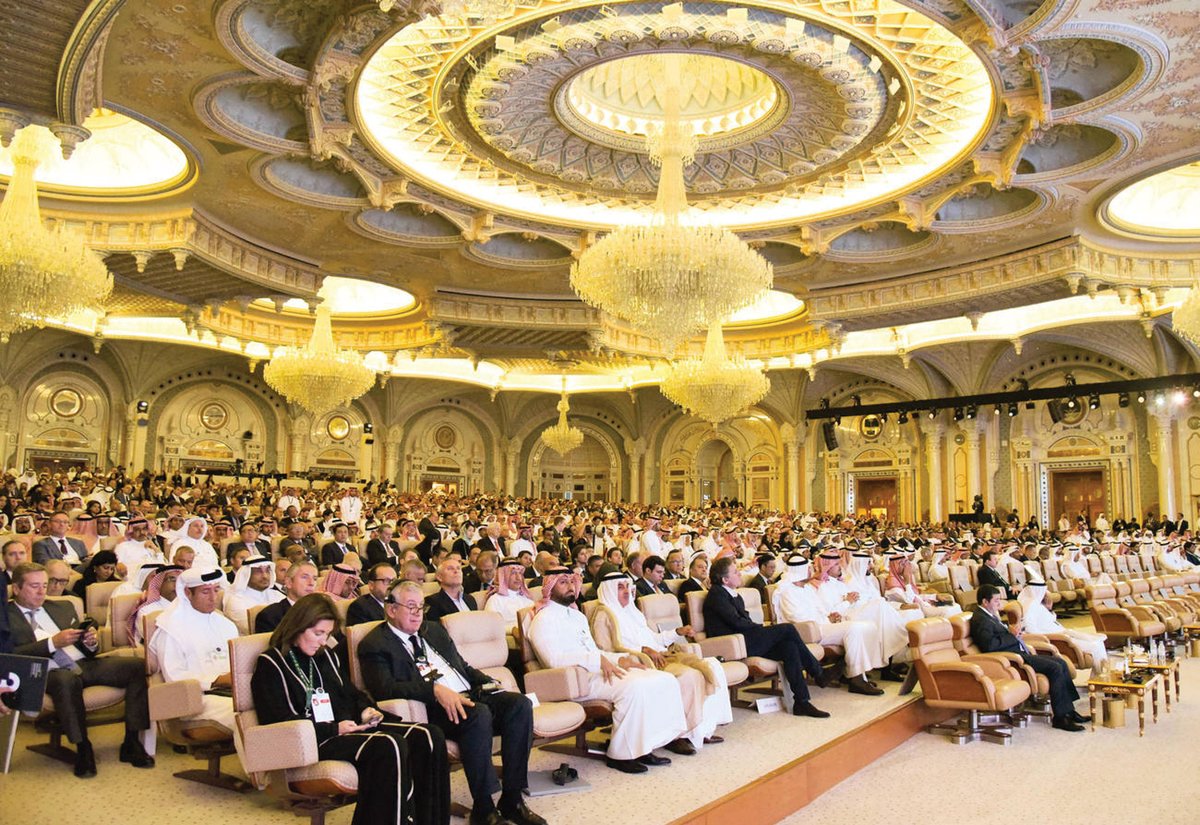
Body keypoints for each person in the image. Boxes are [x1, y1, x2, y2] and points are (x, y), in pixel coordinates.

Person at [252, 593, 450, 825]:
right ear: (298, 626)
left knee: (428, 735)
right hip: (313, 740)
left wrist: (366, 710)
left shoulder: (324, 656)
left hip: (345, 728)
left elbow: (351, 694)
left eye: (327, 635)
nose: (323, 641)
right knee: (388, 745)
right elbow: (278, 722)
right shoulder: (271, 663)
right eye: (318, 633)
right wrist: (334, 729)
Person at [360, 580, 546, 825]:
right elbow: (385, 688)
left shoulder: (434, 630)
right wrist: (434, 690)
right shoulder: (375, 644)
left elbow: (462, 667)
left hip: (470, 695)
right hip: (433, 709)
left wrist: (488, 681)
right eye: (411, 607)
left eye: (421, 607)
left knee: (519, 705)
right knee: (478, 714)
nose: (418, 614)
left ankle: (512, 799)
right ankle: (484, 808)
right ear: (392, 609)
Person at [527, 568, 688, 774]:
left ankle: (645, 746)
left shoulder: (577, 617)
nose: (570, 587)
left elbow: (594, 651)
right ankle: (621, 755)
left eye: (571, 582)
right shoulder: (543, 618)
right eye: (563, 582)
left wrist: (621, 659)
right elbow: (553, 660)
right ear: (549, 587)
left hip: (595, 672)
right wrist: (597, 661)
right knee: (634, 687)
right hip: (573, 680)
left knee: (662, 678)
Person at [7, 562, 153, 776]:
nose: (41, 592)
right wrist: (52, 643)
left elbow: (87, 647)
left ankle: (131, 742)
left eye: (44, 585)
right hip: (43, 671)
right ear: (16, 588)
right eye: (34, 586)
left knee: (136, 666)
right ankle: (83, 747)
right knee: (66, 679)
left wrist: (91, 643)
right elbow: (10, 655)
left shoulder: (63, 606)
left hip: (81, 663)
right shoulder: (5, 616)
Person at [595, 572, 731, 749]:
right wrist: (643, 650)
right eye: (620, 588)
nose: (626, 591)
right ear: (609, 591)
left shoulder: (632, 612)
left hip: (661, 655)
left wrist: (677, 632)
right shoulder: (603, 615)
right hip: (643, 663)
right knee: (689, 676)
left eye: (627, 586)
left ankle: (701, 730)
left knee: (712, 667)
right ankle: (677, 736)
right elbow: (606, 650)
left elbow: (654, 639)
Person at [704, 557, 830, 718]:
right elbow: (736, 622)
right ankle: (818, 673)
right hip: (732, 645)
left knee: (789, 647)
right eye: (735, 572)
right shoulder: (716, 595)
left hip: (746, 639)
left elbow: (744, 621)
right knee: (787, 629)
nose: (740, 574)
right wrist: (761, 629)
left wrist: (760, 630)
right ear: (725, 579)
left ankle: (802, 702)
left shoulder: (734, 595)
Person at [970, 584, 1087, 732]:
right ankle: (1060, 718)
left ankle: (1069, 711)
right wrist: (1012, 635)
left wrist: (1013, 632)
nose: (999, 604)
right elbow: (989, 646)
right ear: (985, 602)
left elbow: (998, 636)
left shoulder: (989, 614)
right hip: (1012, 659)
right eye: (996, 600)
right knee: (1055, 667)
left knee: (1060, 662)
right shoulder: (980, 619)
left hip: (1018, 652)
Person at [771, 556, 883, 695]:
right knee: (854, 629)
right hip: (808, 631)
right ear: (801, 570)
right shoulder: (787, 591)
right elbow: (798, 617)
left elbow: (821, 609)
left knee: (868, 626)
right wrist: (825, 619)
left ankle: (854, 673)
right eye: (808, 568)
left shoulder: (806, 588)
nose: (811, 571)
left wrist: (830, 616)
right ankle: (857, 680)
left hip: (822, 625)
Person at [148, 568, 240, 737]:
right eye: (205, 592)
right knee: (244, 715)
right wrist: (217, 680)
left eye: (216, 590)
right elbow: (175, 678)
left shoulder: (226, 625)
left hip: (233, 691)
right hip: (197, 700)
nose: (213, 598)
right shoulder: (171, 628)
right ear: (187, 593)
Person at [1016, 579, 1108, 669]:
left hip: (1062, 634)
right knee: (1096, 646)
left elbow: (1051, 621)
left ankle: (1102, 675)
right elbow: (1031, 631)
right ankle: (1102, 675)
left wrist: (1049, 608)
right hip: (1057, 639)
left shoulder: (1036, 605)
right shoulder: (1029, 609)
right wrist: (1058, 635)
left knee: (1099, 642)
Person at [225, 555, 285, 634]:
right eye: (258, 571)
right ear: (247, 574)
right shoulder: (236, 601)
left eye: (267, 571)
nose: (265, 576)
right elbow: (254, 630)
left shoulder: (277, 595)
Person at [254, 561, 318, 634]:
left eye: (315, 579)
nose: (311, 583)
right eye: (304, 577)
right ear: (289, 582)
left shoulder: (322, 611)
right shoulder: (270, 616)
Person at [128, 564, 181, 645]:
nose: (177, 584)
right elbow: (156, 641)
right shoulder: (147, 610)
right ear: (159, 584)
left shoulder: (187, 608)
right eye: (172, 579)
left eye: (180, 581)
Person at [424, 557, 478, 625]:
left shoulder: (470, 599)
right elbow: (435, 629)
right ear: (439, 577)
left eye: (458, 568)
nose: (456, 571)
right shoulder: (432, 601)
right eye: (450, 568)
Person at [483, 559, 532, 632]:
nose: (518, 578)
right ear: (503, 576)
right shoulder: (495, 600)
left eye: (520, 573)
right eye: (513, 573)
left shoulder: (526, 597)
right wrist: (513, 630)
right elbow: (491, 627)